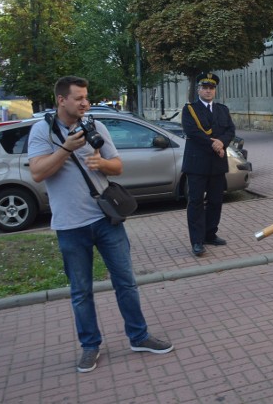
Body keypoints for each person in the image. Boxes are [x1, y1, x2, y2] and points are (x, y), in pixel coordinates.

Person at [28, 76, 173, 374]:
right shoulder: (42, 131)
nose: (85, 102)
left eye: (86, 96)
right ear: (61, 100)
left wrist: (101, 164)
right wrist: (66, 148)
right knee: (80, 291)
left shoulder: (96, 126)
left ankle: (139, 335)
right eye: (79, 98)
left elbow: (117, 166)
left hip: (106, 219)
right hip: (70, 225)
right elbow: (38, 173)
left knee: (126, 282)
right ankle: (90, 346)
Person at [182, 72, 236, 257]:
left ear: (215, 90)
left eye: (211, 88)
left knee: (215, 201)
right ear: (198, 89)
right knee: (196, 202)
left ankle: (210, 234)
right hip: (197, 163)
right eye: (204, 87)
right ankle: (197, 241)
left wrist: (222, 142)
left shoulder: (222, 109)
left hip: (217, 163)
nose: (208, 91)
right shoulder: (190, 109)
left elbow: (230, 130)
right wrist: (214, 144)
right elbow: (193, 132)